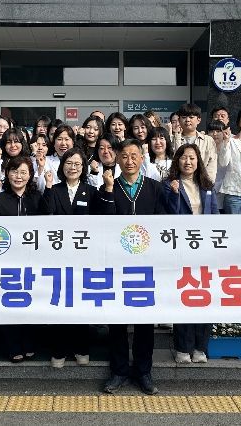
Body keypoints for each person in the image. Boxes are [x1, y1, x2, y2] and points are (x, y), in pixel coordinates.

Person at [95, 139, 165, 396]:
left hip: (146, 264)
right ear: (117, 158)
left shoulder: (154, 188)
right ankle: (119, 371)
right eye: (124, 155)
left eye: (134, 155)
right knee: (117, 321)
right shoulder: (107, 187)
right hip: (116, 263)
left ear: (142, 158)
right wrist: (109, 190)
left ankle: (144, 371)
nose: (129, 160)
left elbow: (164, 224)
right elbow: (102, 222)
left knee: (145, 321)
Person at [0, 156, 50, 362]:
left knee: (30, 301)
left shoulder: (36, 198)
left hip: (33, 260)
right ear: (7, 174)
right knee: (10, 302)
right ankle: (13, 346)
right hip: (7, 262)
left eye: (23, 172)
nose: (18, 176)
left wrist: (49, 187)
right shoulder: (1, 198)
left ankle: (29, 342)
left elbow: (48, 219)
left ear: (30, 175)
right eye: (14, 172)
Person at [161, 145, 218, 365]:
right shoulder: (169, 185)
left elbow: (214, 215)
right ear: (177, 160)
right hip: (181, 249)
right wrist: (174, 194)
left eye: (192, 158)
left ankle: (200, 347)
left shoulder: (207, 185)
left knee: (205, 296)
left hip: (205, 249)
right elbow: (170, 215)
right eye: (184, 158)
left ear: (198, 161)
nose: (188, 162)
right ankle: (183, 347)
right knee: (184, 296)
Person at [42, 148, 98, 368]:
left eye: (77, 164)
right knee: (60, 305)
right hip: (58, 258)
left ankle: (81, 348)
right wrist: (48, 187)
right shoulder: (54, 189)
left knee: (81, 305)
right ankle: (59, 350)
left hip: (83, 258)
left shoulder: (91, 191)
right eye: (68, 163)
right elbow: (46, 215)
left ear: (83, 168)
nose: (72, 167)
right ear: (62, 166)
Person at [171, 103, 217, 182]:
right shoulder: (172, 140)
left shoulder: (208, 140)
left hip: (201, 183)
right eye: (184, 117)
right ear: (179, 120)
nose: (187, 120)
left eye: (191, 117)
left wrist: (206, 184)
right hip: (178, 184)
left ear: (198, 120)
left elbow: (212, 166)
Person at [34, 125, 75, 191]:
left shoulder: (79, 161)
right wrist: (40, 168)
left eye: (67, 139)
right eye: (59, 139)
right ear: (54, 143)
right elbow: (37, 187)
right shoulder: (44, 161)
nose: (63, 143)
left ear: (73, 142)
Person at [207, 120, 228, 213]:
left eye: (218, 131)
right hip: (209, 190)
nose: (215, 134)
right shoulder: (204, 149)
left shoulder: (229, 147)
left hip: (225, 192)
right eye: (211, 131)